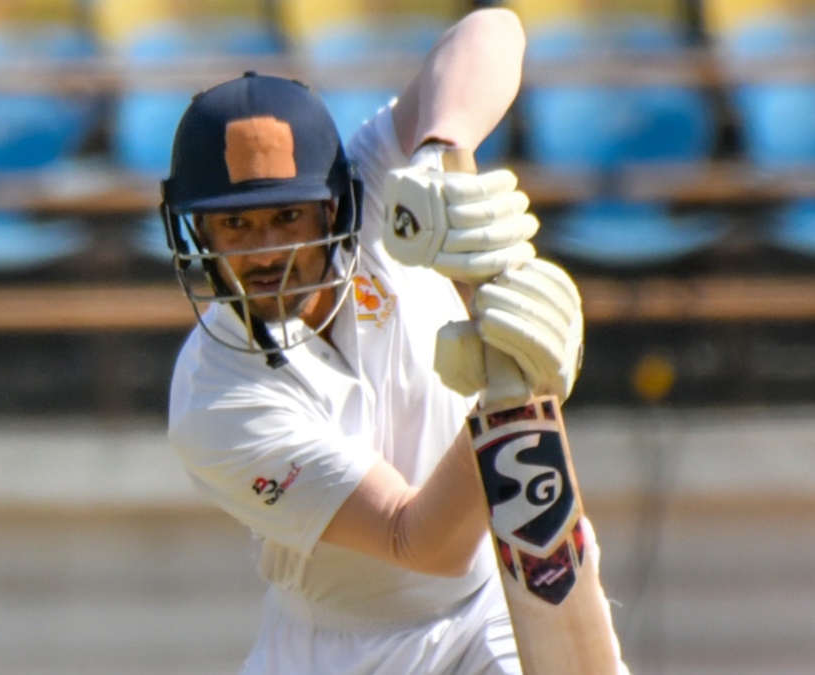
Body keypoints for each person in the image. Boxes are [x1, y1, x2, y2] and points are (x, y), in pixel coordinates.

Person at [160, 8, 599, 674]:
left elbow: (492, 30)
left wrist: (437, 153)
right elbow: (416, 541)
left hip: (495, 602)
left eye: (286, 216)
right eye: (236, 226)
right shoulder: (213, 398)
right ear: (199, 233)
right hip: (335, 649)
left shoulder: (374, 192)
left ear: (332, 207)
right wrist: (512, 395)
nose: (265, 251)